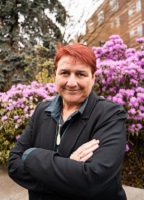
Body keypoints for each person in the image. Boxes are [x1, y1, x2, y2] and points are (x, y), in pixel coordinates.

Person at [8, 43, 127, 200]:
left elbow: (93, 180)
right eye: (65, 73)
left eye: (80, 74)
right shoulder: (42, 110)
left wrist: (31, 155)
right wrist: (68, 170)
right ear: (56, 74)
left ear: (93, 78)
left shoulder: (110, 115)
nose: (71, 83)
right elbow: (14, 164)